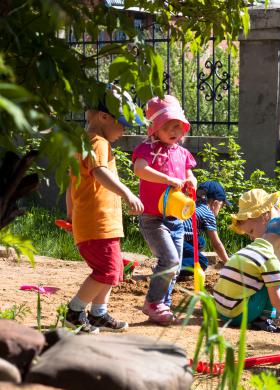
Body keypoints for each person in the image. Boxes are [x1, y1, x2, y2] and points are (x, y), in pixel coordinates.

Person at [65, 87, 145, 333]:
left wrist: (71, 217)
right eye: (122, 124)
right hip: (97, 223)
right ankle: (75, 312)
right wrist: (128, 193)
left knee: (114, 269)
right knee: (107, 270)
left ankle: (99, 313)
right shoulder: (97, 142)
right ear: (103, 117)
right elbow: (99, 173)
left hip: (98, 222)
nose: (124, 131)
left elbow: (71, 187)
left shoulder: (85, 142)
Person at [132, 95, 196, 325]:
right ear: (154, 129)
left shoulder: (181, 152)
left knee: (175, 265)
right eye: (167, 126)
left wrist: (191, 180)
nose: (174, 131)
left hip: (176, 217)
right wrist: (167, 179)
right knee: (168, 260)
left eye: (177, 126)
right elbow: (140, 170)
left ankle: (163, 305)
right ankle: (153, 302)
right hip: (153, 218)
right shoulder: (147, 148)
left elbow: (189, 172)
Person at [213, 216, 280, 332]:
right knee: (279, 275)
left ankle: (260, 318)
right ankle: (265, 320)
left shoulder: (247, 250)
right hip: (238, 316)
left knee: (270, 277)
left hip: (222, 312)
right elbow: (276, 300)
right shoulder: (269, 258)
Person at [179, 180, 230, 276]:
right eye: (221, 206)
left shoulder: (192, 204)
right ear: (215, 203)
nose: (220, 209)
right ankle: (170, 269)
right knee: (202, 262)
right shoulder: (208, 213)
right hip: (178, 239)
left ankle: (179, 259)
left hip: (172, 236)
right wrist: (227, 262)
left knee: (200, 241)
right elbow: (216, 244)